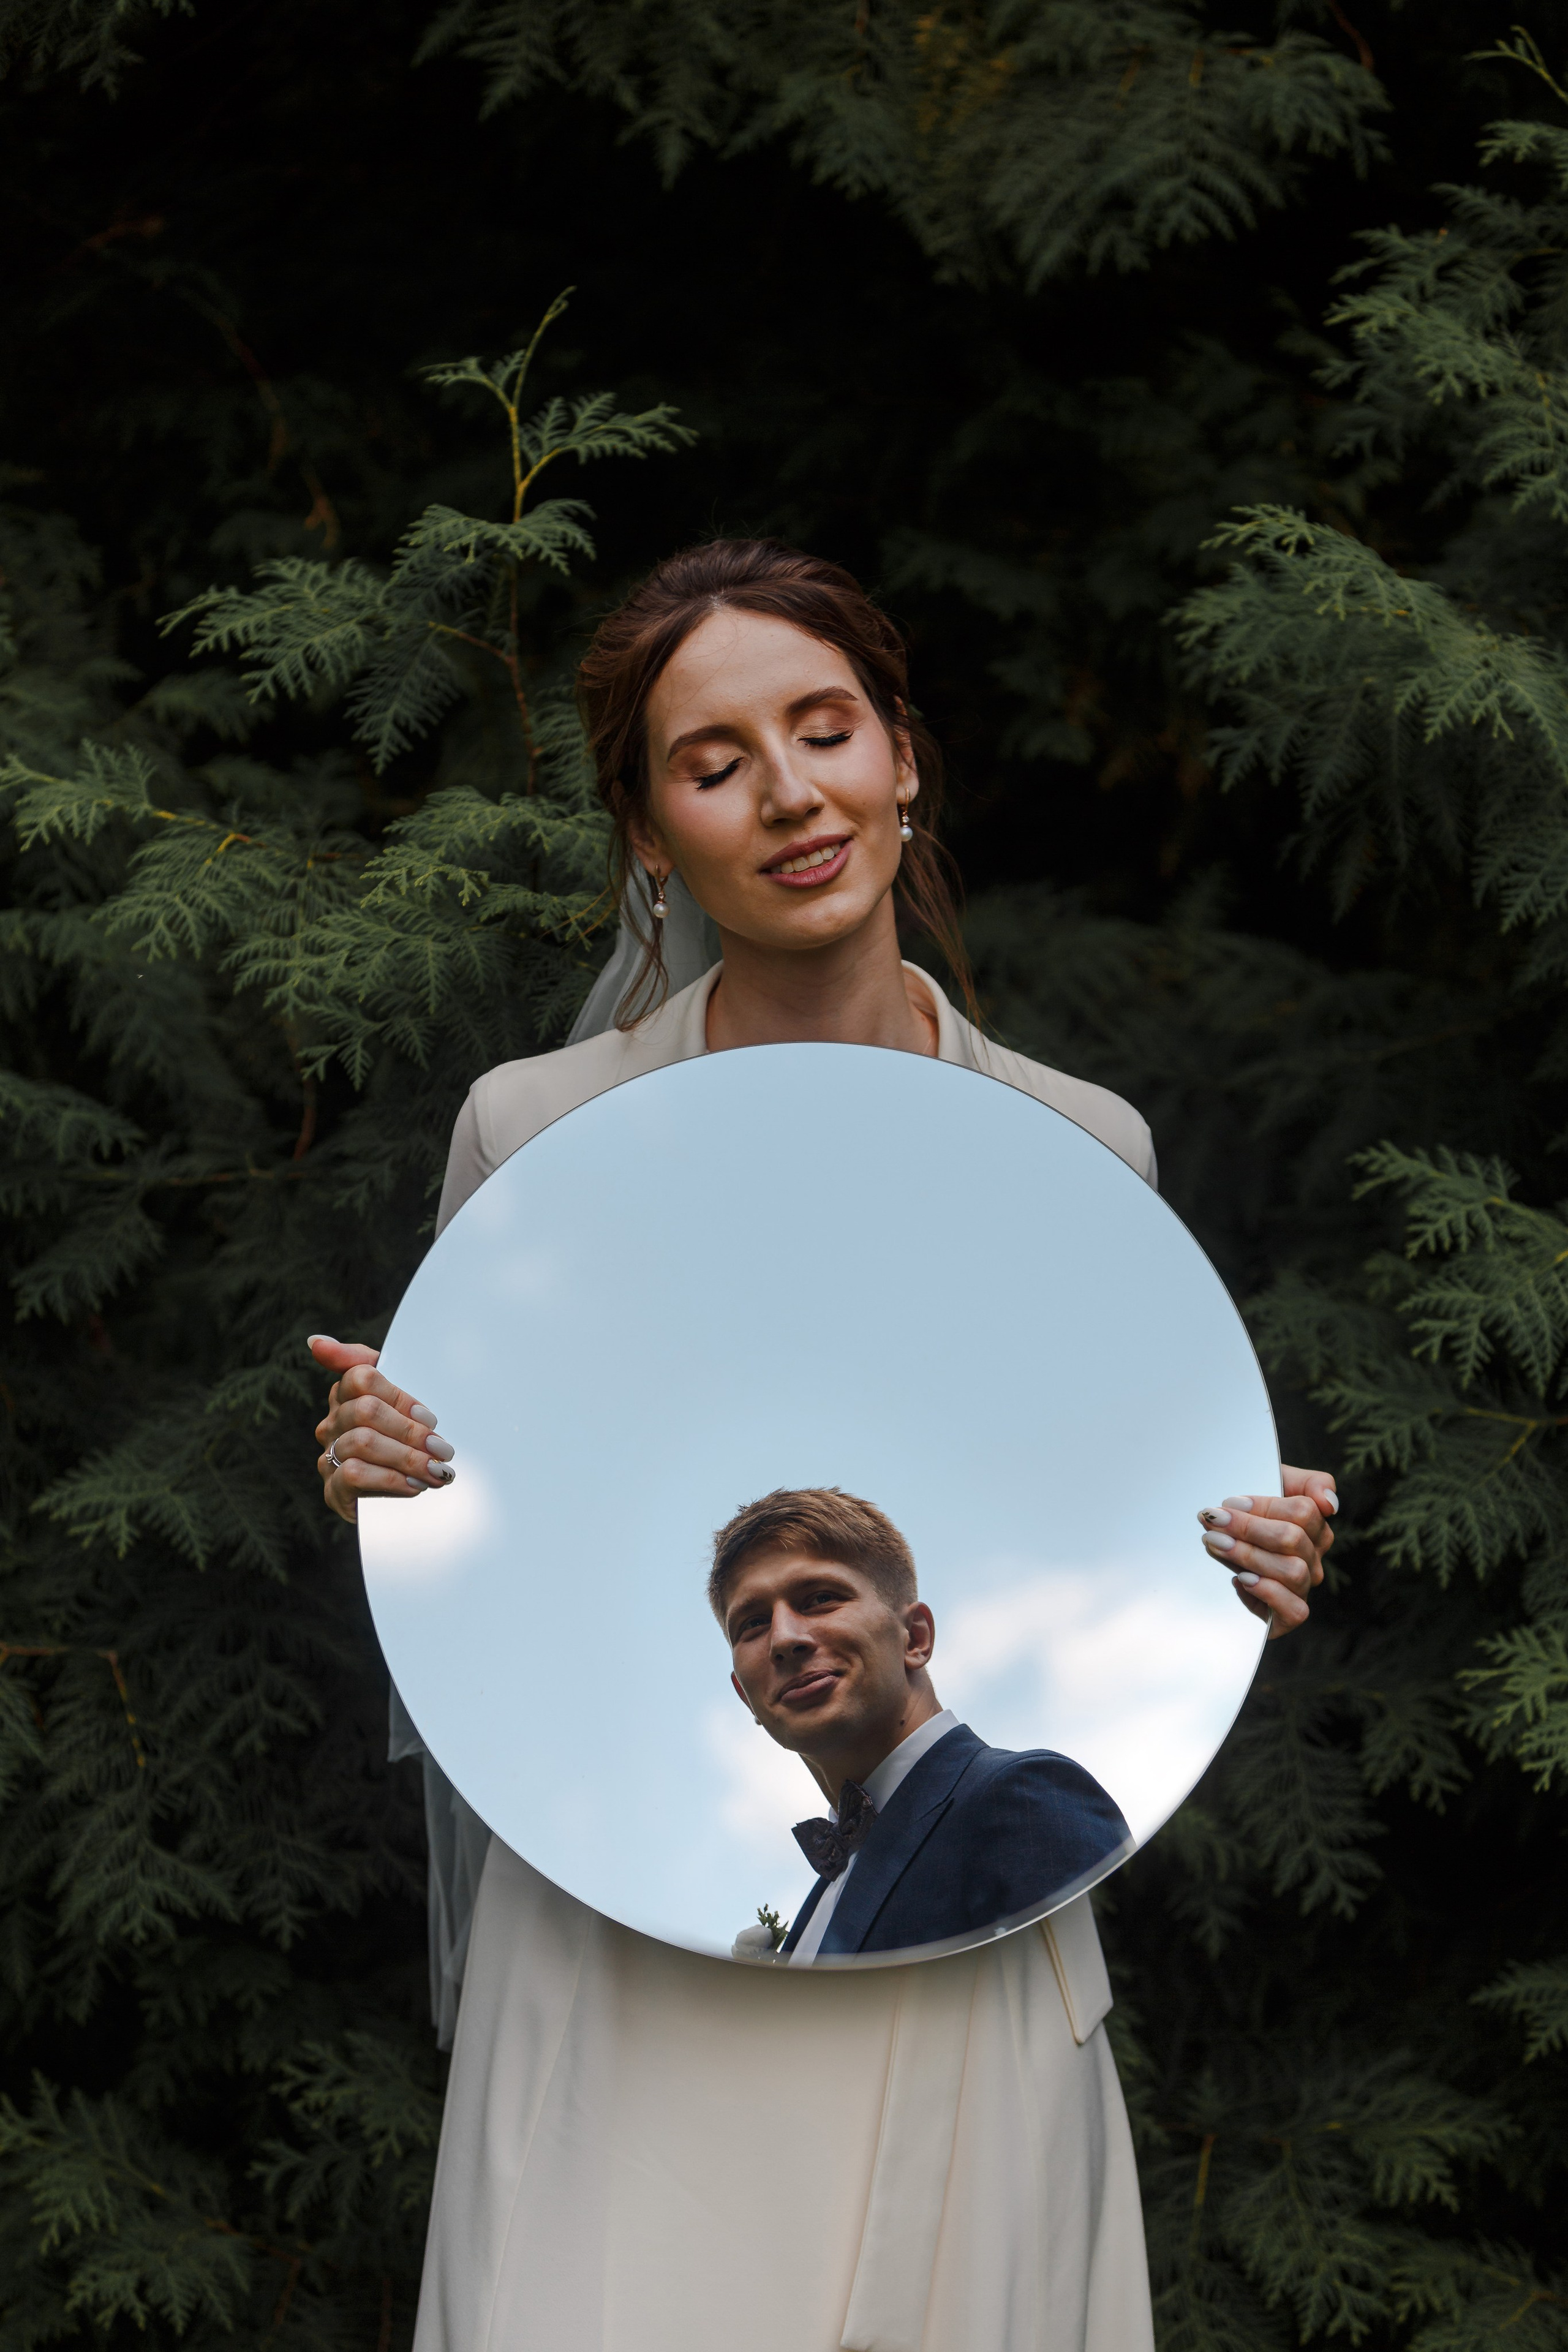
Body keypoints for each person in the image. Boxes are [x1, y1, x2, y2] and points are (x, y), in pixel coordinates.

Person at [310, 539, 1338, 2352]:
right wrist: (391, 1472)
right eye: (715, 762)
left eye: (826, 728)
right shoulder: (532, 1127)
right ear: (648, 832)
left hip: (966, 1959)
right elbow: (509, 1549)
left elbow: (1091, 1529)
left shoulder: (1080, 1149)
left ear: (902, 758)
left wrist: (1236, 1555)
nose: (789, 793)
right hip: (625, 1934)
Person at [713, 1486, 1130, 1961]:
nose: (784, 1639)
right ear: (746, 1696)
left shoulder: (1022, 1797)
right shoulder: (821, 1902)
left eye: (820, 1598)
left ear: (914, 1637)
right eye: (752, 1624)